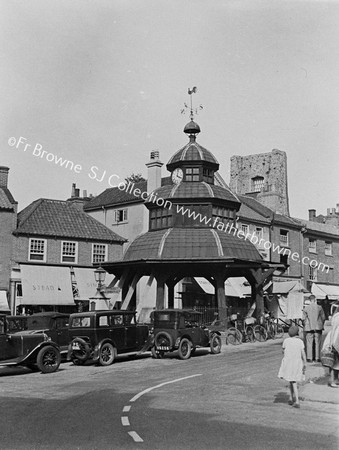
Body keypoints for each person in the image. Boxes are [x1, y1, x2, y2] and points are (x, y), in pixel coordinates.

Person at [278, 325, 307, 408]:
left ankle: (292, 398)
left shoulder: (286, 341)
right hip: (296, 363)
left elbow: (283, 351)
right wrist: (305, 363)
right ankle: (296, 400)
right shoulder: (300, 342)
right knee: (293, 381)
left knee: (291, 380)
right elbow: (303, 354)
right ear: (297, 333)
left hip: (288, 363)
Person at [303, 294, 325, 362]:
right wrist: (322, 324)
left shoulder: (306, 308)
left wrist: (304, 325)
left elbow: (303, 318)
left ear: (309, 300)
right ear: (315, 299)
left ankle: (309, 358)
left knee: (309, 342)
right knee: (317, 343)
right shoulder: (319, 307)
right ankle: (317, 358)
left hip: (308, 327)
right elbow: (323, 318)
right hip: (318, 327)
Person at [321, 303, 339, 387]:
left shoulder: (336, 316)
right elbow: (334, 329)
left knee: (335, 361)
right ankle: (333, 380)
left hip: (336, 338)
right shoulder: (337, 317)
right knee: (334, 361)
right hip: (336, 339)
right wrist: (331, 343)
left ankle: (335, 380)